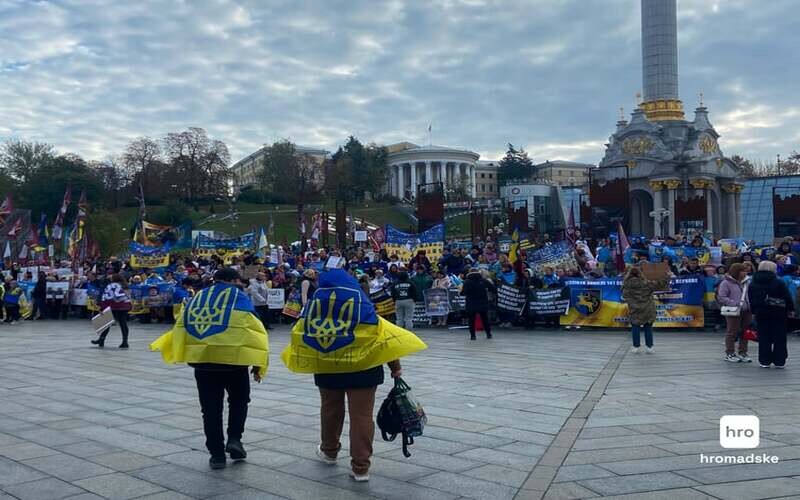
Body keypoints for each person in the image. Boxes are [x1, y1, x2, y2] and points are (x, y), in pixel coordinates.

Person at [280, 269, 426, 482]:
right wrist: (395, 367)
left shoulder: (313, 310)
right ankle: (361, 467)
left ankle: (329, 451)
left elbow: (300, 336)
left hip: (328, 367)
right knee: (362, 417)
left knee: (330, 410)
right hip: (364, 369)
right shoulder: (364, 308)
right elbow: (384, 337)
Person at [150, 268, 268, 469]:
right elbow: (253, 328)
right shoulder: (238, 297)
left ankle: (216, 454)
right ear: (232, 280)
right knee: (239, 401)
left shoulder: (198, 297)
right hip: (234, 361)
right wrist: (258, 362)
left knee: (210, 409)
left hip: (203, 363)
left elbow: (182, 323)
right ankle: (234, 439)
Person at [748, 261, 794, 368]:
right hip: (778, 312)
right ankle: (779, 361)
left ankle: (764, 361)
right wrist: (790, 309)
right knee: (779, 337)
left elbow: (750, 298)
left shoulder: (753, 282)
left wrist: (754, 310)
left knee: (764, 337)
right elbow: (787, 297)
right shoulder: (778, 281)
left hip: (760, 312)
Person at [621, 266, 668, 353]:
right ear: (640, 273)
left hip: (634, 308)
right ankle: (649, 347)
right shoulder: (646, 283)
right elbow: (660, 284)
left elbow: (624, 296)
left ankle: (636, 347)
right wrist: (666, 276)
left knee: (635, 327)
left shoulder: (626, 285)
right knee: (648, 327)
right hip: (647, 308)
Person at [716, 263, 752, 363]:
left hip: (747, 310)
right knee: (732, 332)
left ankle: (743, 352)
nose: (745, 272)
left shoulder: (747, 282)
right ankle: (729, 353)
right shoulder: (726, 282)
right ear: (736, 271)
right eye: (742, 271)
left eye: (745, 271)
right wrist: (734, 303)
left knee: (746, 332)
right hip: (733, 311)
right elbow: (721, 297)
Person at [92, 274, 132, 348]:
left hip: (113, 306)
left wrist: (102, 307)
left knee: (106, 323)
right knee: (123, 323)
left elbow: (107, 297)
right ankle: (125, 342)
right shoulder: (125, 285)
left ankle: (101, 340)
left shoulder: (111, 285)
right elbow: (128, 297)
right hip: (123, 306)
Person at [461, 268, 495, 340]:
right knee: (485, 319)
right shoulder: (483, 280)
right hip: (482, 302)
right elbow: (493, 288)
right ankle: (488, 334)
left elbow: (463, 292)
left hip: (471, 303)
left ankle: (473, 336)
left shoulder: (467, 281)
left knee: (471, 320)